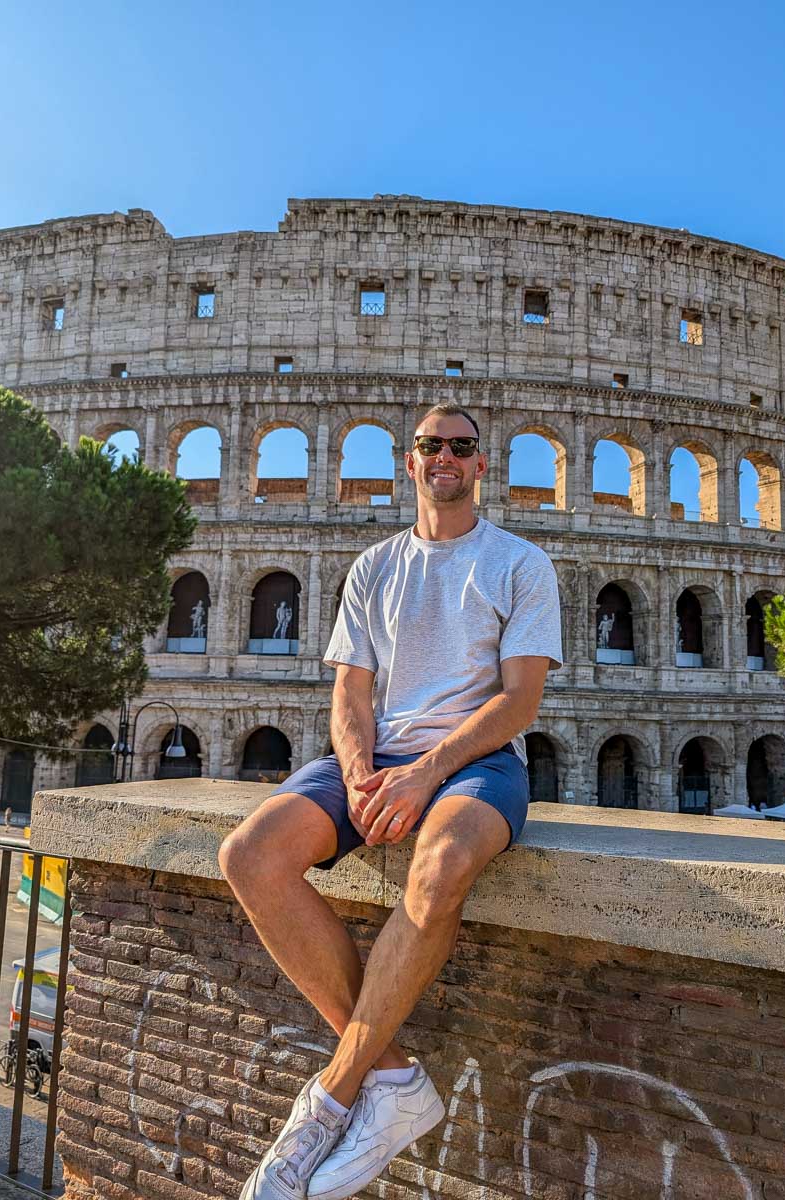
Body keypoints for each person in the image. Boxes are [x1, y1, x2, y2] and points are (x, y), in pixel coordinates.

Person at [220, 404, 562, 1200]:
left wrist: (423, 773)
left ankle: (333, 1095)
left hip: (477, 763)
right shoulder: (374, 565)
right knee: (250, 855)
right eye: (431, 445)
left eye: (462, 447)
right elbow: (351, 693)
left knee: (439, 868)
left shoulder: (520, 562)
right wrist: (363, 771)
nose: (446, 456)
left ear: (483, 466)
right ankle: (395, 1078)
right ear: (410, 463)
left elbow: (518, 705)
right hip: (377, 758)